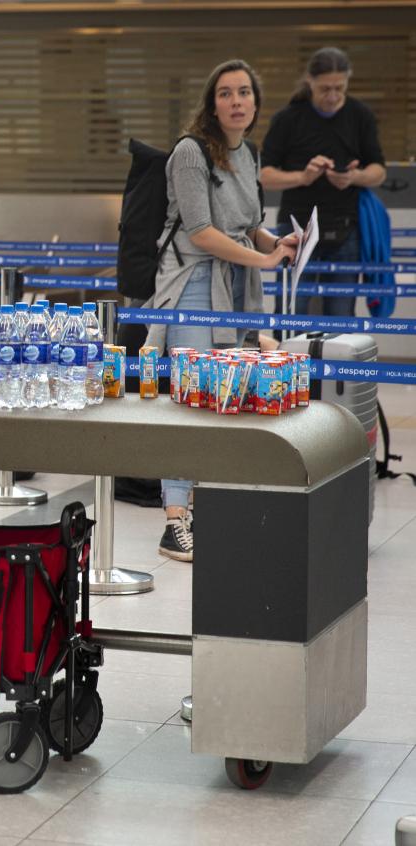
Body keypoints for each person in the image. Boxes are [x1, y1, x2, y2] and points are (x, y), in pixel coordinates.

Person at [148, 59, 296, 562]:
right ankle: (173, 518)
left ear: (256, 102)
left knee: (224, 401)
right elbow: (201, 232)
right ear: (212, 104)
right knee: (188, 402)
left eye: (245, 93)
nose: (237, 102)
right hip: (193, 284)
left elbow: (249, 225)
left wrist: (279, 243)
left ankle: (206, 506)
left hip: (234, 286)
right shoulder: (191, 153)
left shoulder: (248, 153)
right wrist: (264, 258)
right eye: (226, 93)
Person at [261, 47, 387, 318]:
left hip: (346, 228)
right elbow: (264, 175)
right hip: (297, 228)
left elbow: (379, 170)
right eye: (325, 89)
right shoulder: (289, 118)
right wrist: (302, 177)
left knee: (341, 318)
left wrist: (354, 177)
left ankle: (338, 363)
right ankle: (289, 361)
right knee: (291, 312)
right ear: (310, 81)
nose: (332, 97)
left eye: (339, 88)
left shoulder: (359, 115)